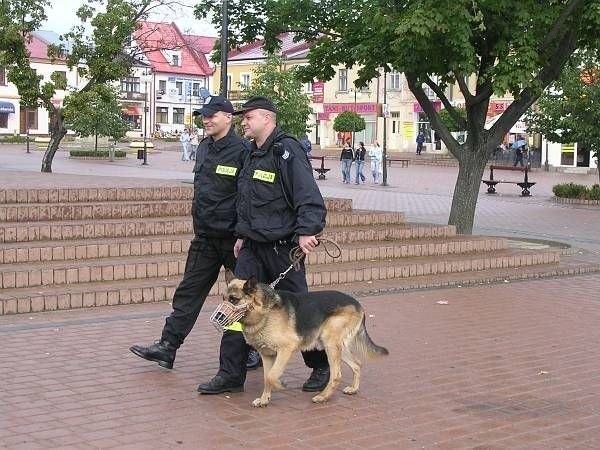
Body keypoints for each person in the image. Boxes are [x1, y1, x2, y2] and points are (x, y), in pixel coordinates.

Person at [197, 96, 330, 395]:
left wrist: (308, 230)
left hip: (283, 250)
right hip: (252, 248)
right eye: (242, 118)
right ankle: (230, 373)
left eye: (249, 118)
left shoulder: (286, 150)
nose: (243, 122)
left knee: (298, 312)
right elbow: (246, 201)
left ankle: (321, 364)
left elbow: (307, 194)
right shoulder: (251, 154)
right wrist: (242, 234)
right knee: (235, 308)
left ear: (267, 119)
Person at [129, 95, 247, 371]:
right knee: (188, 293)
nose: (206, 120)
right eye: (203, 116)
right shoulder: (204, 147)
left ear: (228, 117)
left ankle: (249, 349)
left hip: (233, 240)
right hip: (205, 237)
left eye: (212, 115)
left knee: (242, 299)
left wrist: (243, 234)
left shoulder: (243, 150)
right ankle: (167, 347)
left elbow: (247, 197)